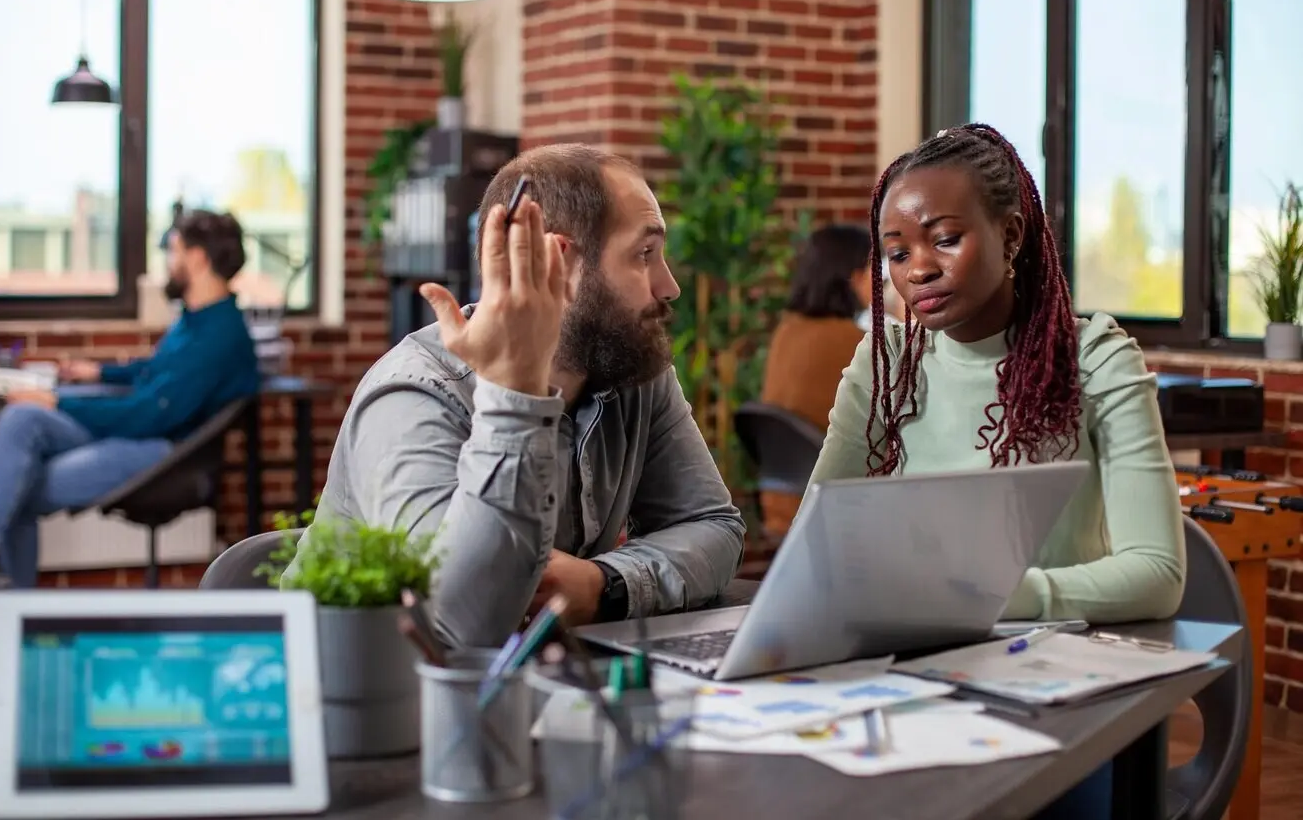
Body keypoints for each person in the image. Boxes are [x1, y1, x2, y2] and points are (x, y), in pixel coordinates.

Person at [807, 123, 1186, 819]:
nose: (917, 267)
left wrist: (989, 595)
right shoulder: (883, 364)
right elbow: (820, 546)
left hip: (1054, 702)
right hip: (909, 686)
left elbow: (1158, 572)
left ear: (1011, 237)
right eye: (896, 253)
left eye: (945, 239)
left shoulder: (1097, 359)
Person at [290, 144, 746, 648]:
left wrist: (604, 585)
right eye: (645, 254)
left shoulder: (631, 369)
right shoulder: (414, 394)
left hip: (533, 693)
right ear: (558, 262)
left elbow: (712, 525)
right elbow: (457, 625)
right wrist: (516, 393)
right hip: (378, 706)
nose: (670, 286)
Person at [0, 209, 261, 688]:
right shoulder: (197, 318)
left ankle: (3, 637)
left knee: (18, 484)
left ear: (198, 258)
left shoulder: (220, 334)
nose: (168, 260)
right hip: (141, 433)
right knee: (22, 418)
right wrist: (97, 374)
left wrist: (59, 399)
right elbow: (157, 376)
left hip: (161, 453)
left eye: (173, 250)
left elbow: (151, 413)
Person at [757, 224, 871, 533]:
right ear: (855, 276)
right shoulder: (857, 344)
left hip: (779, 498)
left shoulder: (787, 331)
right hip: (832, 506)